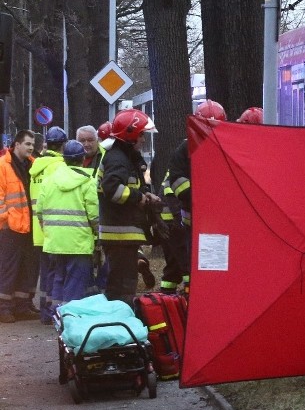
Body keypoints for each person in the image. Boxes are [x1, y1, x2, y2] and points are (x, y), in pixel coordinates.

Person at [98, 109, 159, 305]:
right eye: (141, 134)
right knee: (122, 287)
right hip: (119, 234)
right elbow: (112, 189)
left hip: (122, 234)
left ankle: (120, 322)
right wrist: (138, 197)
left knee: (122, 284)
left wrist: (144, 194)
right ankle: (120, 323)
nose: (143, 139)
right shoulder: (118, 158)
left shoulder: (123, 156)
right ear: (130, 134)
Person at [167, 99, 227, 296]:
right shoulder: (184, 150)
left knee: (220, 264)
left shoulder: (228, 146)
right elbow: (177, 182)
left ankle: (216, 294)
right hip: (194, 222)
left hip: (223, 223)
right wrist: (203, 196)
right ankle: (196, 298)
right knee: (196, 264)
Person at [36, 140, 98, 310]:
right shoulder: (88, 181)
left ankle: (56, 313)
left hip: (54, 241)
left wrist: (48, 231)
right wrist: (98, 235)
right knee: (76, 281)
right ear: (82, 158)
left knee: (58, 277)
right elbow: (94, 215)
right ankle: (70, 317)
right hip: (78, 241)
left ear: (64, 159)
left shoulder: (49, 180)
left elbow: (39, 211)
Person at [0, 130, 38, 323]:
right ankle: (4, 308)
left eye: (32, 144)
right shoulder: (3, 165)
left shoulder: (32, 165)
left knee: (27, 268)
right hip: (9, 228)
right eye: (28, 144)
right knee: (8, 269)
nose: (31, 147)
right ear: (16, 144)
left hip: (28, 226)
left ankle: (22, 307)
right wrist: (5, 219)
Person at [30, 126, 67, 323]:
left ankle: (45, 309)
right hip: (55, 228)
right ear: (63, 146)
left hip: (39, 229)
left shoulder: (36, 166)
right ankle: (51, 312)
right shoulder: (59, 166)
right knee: (56, 272)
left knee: (45, 273)